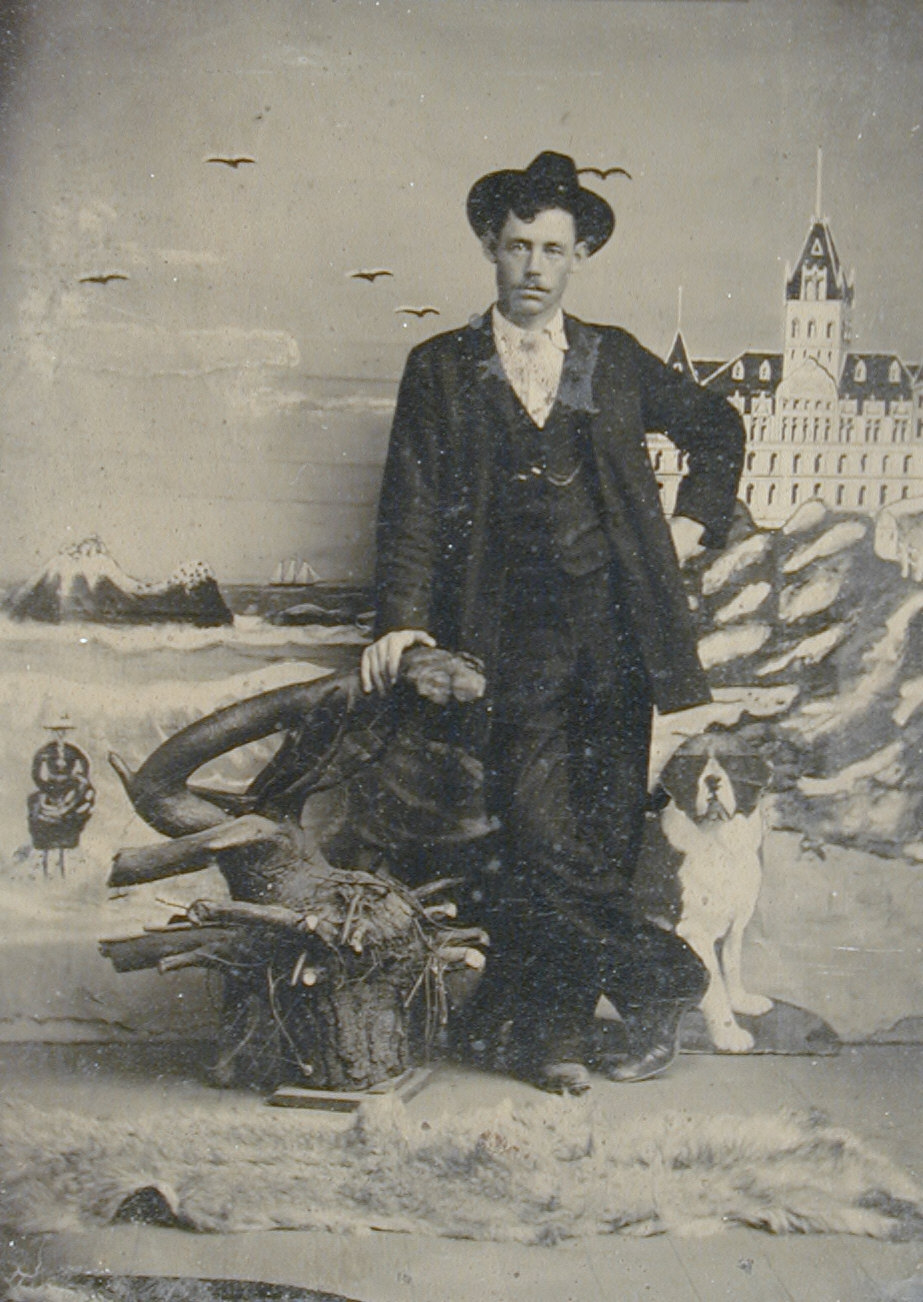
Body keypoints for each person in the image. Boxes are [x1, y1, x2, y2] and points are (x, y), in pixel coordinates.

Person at [360, 151, 745, 1092]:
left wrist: (691, 526)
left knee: (604, 841)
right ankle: (667, 983)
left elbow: (716, 428)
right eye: (518, 246)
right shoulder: (442, 368)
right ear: (491, 250)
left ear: (579, 259)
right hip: (501, 648)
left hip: (620, 643)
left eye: (554, 250)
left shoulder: (612, 360)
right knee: (534, 839)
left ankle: (548, 1034)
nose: (534, 265)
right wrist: (405, 626)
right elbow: (408, 504)